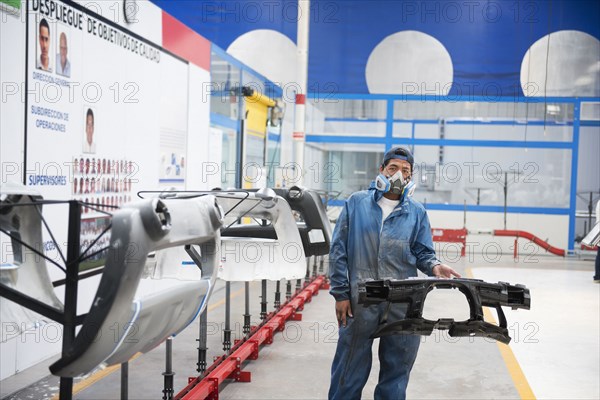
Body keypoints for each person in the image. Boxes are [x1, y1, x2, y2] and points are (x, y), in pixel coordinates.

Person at [328, 146, 460, 400]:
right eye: (393, 168)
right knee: (349, 368)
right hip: (360, 301)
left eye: (405, 170)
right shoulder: (356, 203)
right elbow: (338, 252)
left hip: (402, 301)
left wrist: (434, 266)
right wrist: (341, 294)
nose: (399, 174)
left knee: (396, 373)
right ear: (382, 171)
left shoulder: (416, 212)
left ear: (410, 177)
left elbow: (422, 252)